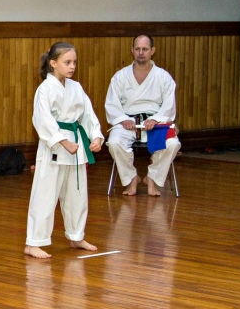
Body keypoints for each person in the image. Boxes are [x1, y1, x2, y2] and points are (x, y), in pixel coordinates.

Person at [24, 42, 103, 259]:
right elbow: (42, 120)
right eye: (67, 62)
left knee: (77, 195)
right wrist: (62, 141)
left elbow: (87, 115)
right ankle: (33, 242)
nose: (72, 66)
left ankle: (76, 236)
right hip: (54, 148)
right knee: (45, 195)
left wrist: (95, 136)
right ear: (53, 63)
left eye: (74, 62)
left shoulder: (76, 87)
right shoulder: (45, 89)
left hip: (76, 146)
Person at [105, 35, 181, 197]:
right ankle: (131, 177)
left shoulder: (163, 77)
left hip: (156, 122)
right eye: (137, 49)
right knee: (114, 142)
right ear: (132, 50)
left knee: (172, 144)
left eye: (145, 49)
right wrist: (123, 119)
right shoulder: (120, 76)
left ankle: (152, 178)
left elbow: (169, 106)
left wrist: (156, 119)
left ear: (152, 51)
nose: (141, 52)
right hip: (128, 122)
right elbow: (112, 104)